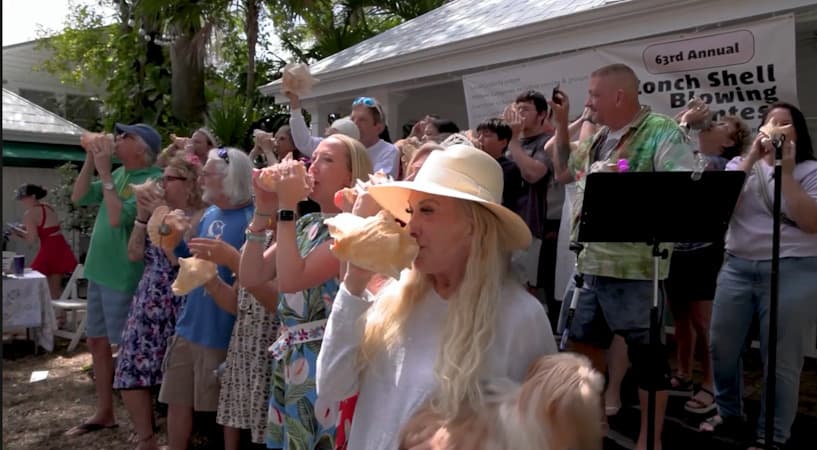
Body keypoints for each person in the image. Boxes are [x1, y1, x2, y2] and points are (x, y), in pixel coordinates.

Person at [316, 144, 557, 450]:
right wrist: (354, 282)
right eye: (410, 212)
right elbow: (333, 386)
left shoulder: (520, 316)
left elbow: (548, 429)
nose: (411, 227)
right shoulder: (392, 298)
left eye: (427, 211)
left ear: (473, 226)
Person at [551, 64, 695, 450]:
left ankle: (650, 440)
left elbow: (684, 193)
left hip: (635, 270)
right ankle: (594, 423)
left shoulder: (661, 130)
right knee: (584, 349)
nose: (588, 102)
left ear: (619, 96)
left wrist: (626, 189)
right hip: (589, 264)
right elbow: (563, 172)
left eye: (594, 94)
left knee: (648, 361)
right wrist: (562, 124)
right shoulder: (599, 137)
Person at [239, 134, 373, 450]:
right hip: (292, 358)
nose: (313, 166)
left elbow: (290, 280)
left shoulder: (350, 229)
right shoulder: (307, 223)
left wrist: (286, 208)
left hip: (324, 359)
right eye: (314, 158)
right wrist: (263, 212)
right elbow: (252, 275)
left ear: (351, 176)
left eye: (327, 160)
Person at [702, 102, 817, 450]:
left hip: (793, 267)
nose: (778, 128)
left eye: (786, 123)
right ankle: (729, 413)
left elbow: (811, 222)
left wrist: (786, 174)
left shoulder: (810, 170)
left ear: (798, 133)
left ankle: (773, 435)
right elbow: (721, 208)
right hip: (738, 266)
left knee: (781, 358)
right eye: (771, 122)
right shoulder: (740, 165)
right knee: (721, 347)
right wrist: (752, 158)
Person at [66, 123, 163, 437]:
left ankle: (144, 423)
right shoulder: (119, 174)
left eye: (126, 136)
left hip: (124, 275)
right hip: (98, 270)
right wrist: (91, 160)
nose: (117, 139)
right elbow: (79, 196)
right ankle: (105, 412)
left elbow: (117, 217)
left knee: (128, 349)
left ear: (142, 149)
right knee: (96, 342)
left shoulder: (153, 180)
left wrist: (105, 173)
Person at [158, 147, 255, 450]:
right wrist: (174, 241)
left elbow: (250, 281)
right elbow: (192, 263)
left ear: (229, 178)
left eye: (207, 173)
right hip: (190, 324)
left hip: (221, 330)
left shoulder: (253, 220)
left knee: (224, 412)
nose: (200, 179)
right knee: (177, 399)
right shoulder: (211, 213)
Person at [114, 154, 206, 450]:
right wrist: (143, 218)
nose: (161, 184)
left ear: (189, 183)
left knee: (178, 380)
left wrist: (162, 218)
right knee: (129, 367)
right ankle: (146, 439)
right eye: (161, 178)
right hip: (149, 298)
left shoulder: (201, 216)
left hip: (182, 299)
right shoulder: (157, 212)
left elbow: (180, 260)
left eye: (169, 179)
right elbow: (133, 254)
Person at [666, 104, 751, 415]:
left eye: (720, 126)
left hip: (704, 251)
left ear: (729, 142)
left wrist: (684, 125)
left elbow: (689, 169)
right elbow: (666, 149)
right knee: (680, 318)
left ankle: (711, 384)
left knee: (704, 322)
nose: (711, 127)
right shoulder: (693, 154)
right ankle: (684, 372)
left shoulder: (721, 165)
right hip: (678, 249)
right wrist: (682, 120)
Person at [12, 184, 78, 298]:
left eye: (23, 198)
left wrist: (17, 232)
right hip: (60, 246)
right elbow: (47, 227)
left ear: (33, 196)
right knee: (54, 290)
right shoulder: (47, 207)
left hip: (49, 249)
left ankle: (47, 309)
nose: (22, 201)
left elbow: (32, 240)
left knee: (35, 287)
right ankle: (58, 309)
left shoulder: (30, 213)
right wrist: (25, 228)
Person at [286, 91, 362, 157]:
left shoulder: (355, 161)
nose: (329, 139)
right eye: (329, 137)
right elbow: (304, 141)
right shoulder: (324, 147)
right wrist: (294, 102)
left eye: (334, 136)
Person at [350, 96, 401, 178]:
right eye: (352, 119)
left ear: (378, 128)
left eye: (362, 120)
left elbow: (378, 182)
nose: (355, 124)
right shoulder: (346, 149)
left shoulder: (388, 151)